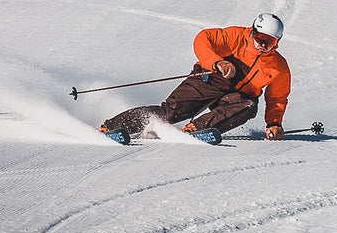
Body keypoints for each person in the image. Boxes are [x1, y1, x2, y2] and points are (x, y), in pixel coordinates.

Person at [100, 13, 291, 140]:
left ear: (277, 42)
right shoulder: (236, 36)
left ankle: (196, 130)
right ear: (253, 32)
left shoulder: (278, 67)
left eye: (270, 42)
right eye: (260, 39)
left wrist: (274, 123)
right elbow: (203, 39)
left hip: (236, 97)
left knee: (249, 106)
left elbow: (277, 98)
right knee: (169, 113)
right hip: (209, 80)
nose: (262, 45)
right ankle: (110, 128)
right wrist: (216, 62)